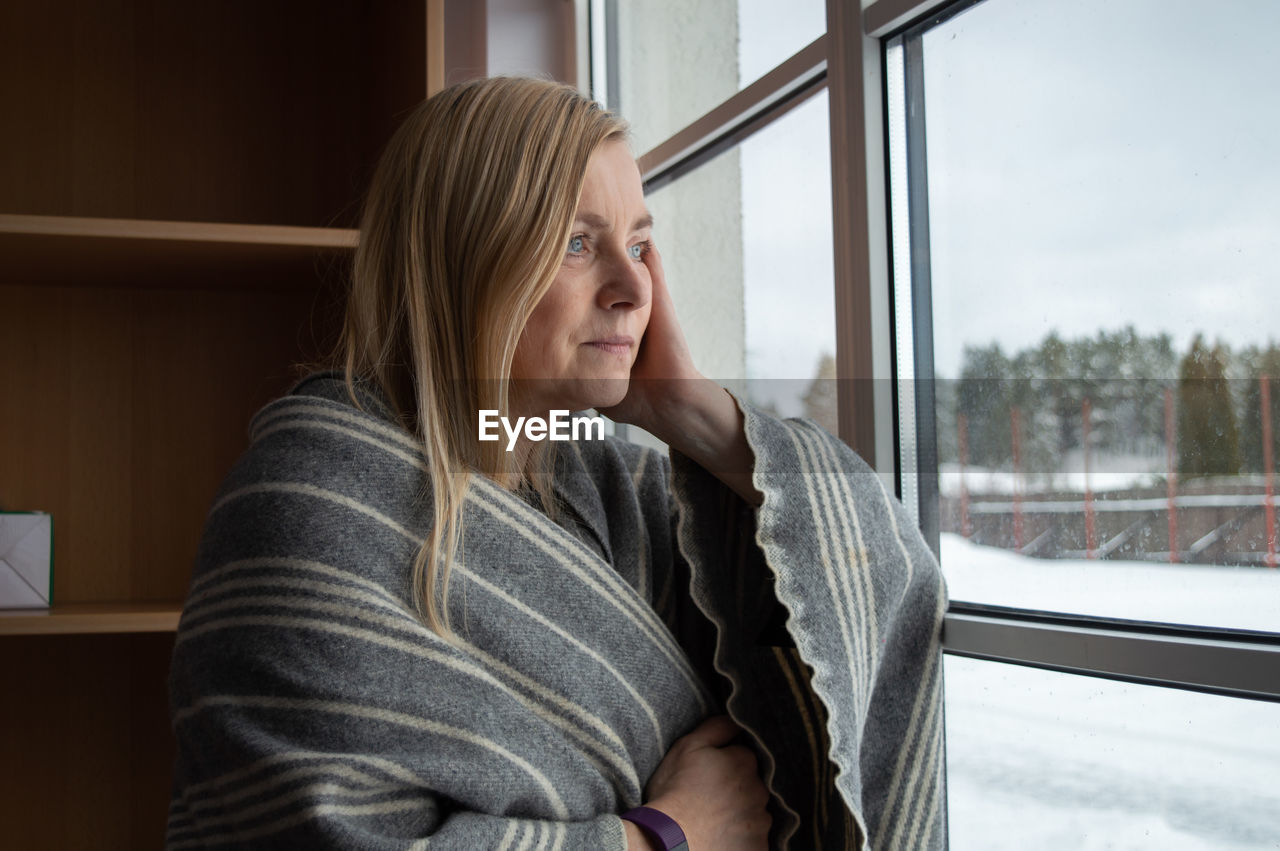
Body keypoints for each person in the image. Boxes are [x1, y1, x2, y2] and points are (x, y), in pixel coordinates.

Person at [166, 77, 947, 850]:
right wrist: (665, 837)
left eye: (640, 244)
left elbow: (882, 576)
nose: (634, 284)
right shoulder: (309, 512)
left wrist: (694, 414)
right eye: (578, 242)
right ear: (463, 261)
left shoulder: (612, 492)